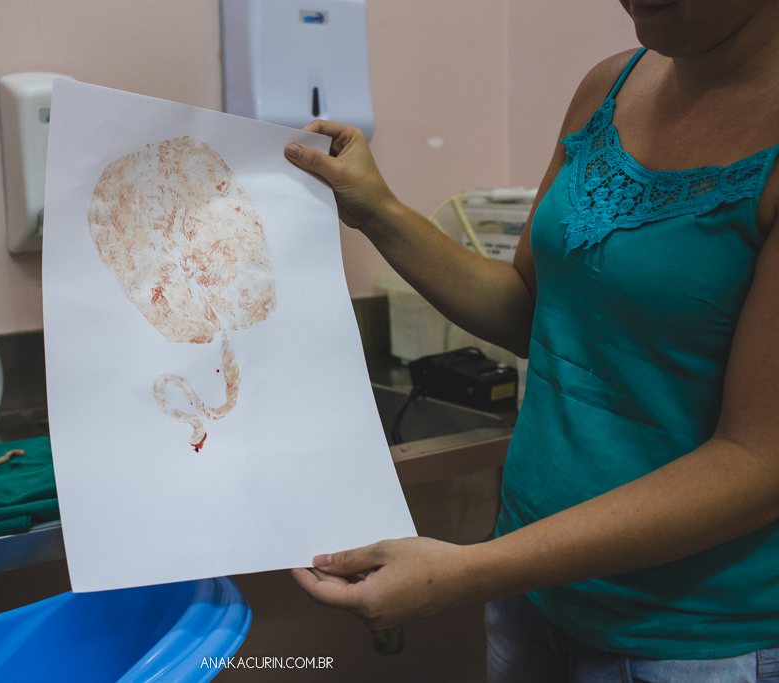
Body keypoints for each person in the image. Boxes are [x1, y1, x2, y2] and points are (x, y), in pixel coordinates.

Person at [284, 1, 779, 679]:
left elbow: (759, 463)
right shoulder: (610, 86)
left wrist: (469, 569)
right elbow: (530, 309)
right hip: (532, 599)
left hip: (687, 639)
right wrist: (379, 211)